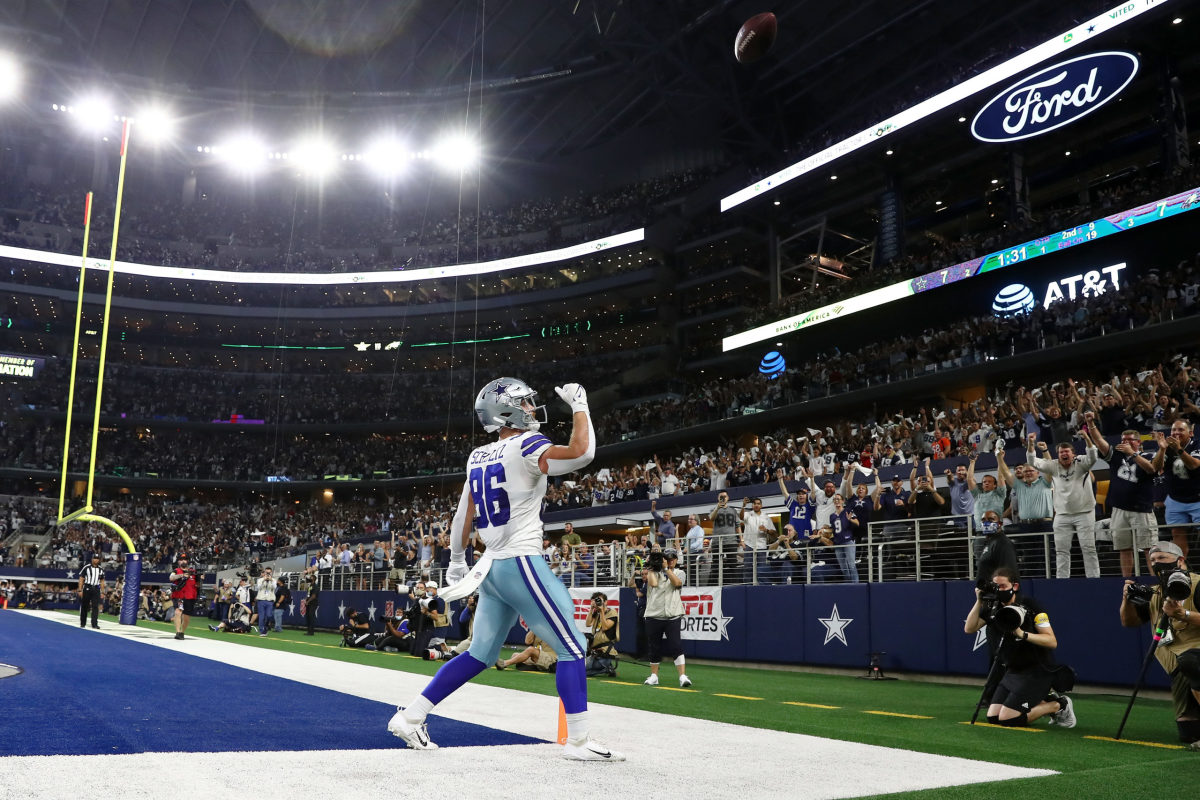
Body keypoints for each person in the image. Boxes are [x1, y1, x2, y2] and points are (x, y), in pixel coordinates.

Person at [389, 378, 623, 761]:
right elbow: (581, 453)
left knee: (479, 654)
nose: (532, 408)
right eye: (526, 403)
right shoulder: (527, 443)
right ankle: (579, 742)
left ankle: (412, 717)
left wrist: (459, 559)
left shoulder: (478, 455)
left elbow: (463, 516)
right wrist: (581, 405)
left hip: (491, 566)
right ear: (507, 410)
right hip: (520, 561)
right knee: (572, 647)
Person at [964, 566, 1076, 728]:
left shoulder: (1030, 606)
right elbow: (969, 628)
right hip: (1013, 671)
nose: (999, 590)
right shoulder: (993, 607)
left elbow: (1051, 641)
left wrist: (1022, 633)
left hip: (1037, 670)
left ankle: (1058, 705)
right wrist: (979, 600)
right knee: (994, 717)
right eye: (996, 586)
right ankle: (1046, 698)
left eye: (1003, 586)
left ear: (1014, 586)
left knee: (1009, 719)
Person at [1119, 541, 1200, 749]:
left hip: (1195, 657)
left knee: (1191, 660)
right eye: (1152, 560)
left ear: (1180, 561)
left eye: (1162, 558)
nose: (1156, 563)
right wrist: (1126, 600)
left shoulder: (1198, 584)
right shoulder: (1155, 593)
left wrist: (1184, 614)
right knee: (1188, 733)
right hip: (1177, 664)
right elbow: (1130, 622)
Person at [1085, 419, 1158, 576]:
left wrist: (1133, 454)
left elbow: (1151, 469)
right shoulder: (1116, 456)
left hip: (1142, 509)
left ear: (1138, 442)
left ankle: (1155, 581)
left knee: (1148, 548)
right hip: (1119, 510)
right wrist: (1091, 423)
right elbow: (1099, 441)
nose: (1125, 442)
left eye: (1129, 440)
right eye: (1123, 440)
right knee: (1124, 548)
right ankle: (1127, 581)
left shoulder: (1149, 455)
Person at [1027, 433, 1099, 578]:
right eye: (1061, 452)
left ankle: (1094, 580)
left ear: (1073, 454)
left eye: (1067, 451)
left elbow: (1093, 456)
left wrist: (1086, 438)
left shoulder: (1081, 463)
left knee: (1089, 548)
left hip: (1084, 513)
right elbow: (1032, 461)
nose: (1064, 454)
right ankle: (1062, 580)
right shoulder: (1053, 465)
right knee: (1061, 551)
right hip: (1062, 515)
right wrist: (1030, 443)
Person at [642, 548, 690, 688]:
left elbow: (677, 583)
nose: (671, 561)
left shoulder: (679, 572)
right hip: (654, 614)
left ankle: (682, 676)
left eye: (673, 558)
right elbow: (652, 584)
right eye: (668, 558)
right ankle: (654, 676)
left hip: (672, 614)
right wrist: (651, 567)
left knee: (676, 645)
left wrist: (666, 569)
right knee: (654, 647)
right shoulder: (654, 572)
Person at [1153, 420, 1200, 559]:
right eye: (1173, 430)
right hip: (1175, 499)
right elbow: (1156, 468)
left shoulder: (1196, 444)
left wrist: (1179, 449)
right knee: (1177, 534)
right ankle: (1181, 567)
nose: (1176, 433)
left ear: (1190, 433)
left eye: (1180, 430)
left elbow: (1194, 465)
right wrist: (1161, 449)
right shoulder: (1167, 447)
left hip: (1198, 498)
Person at [584, 592, 619, 677]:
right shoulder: (596, 613)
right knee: (579, 669)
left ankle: (606, 669)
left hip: (605, 652)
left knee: (582, 672)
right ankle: (606, 668)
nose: (598, 602)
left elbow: (605, 627)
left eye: (600, 600)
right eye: (596, 600)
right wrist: (591, 609)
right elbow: (588, 624)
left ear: (606, 602)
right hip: (596, 653)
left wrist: (602, 611)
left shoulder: (612, 612)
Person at [168, 553, 199, 641]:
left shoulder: (193, 572)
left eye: (185, 559)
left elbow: (197, 584)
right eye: (181, 560)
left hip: (190, 596)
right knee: (178, 612)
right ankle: (178, 632)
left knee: (186, 617)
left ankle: (182, 632)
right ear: (178, 562)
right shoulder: (176, 570)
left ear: (187, 561)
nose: (183, 561)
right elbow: (171, 578)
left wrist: (201, 579)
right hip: (179, 596)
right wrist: (182, 575)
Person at [78, 552, 105, 629]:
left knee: (95, 607)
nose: (96, 560)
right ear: (92, 559)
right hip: (87, 587)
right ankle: (83, 623)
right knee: (85, 606)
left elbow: (102, 581)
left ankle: (94, 624)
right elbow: (81, 579)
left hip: (96, 588)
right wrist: (80, 590)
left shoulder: (101, 569)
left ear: (99, 560)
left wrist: (102, 591)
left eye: (97, 559)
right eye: (94, 558)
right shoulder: (86, 567)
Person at [255, 567, 278, 637]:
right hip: (261, 600)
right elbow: (258, 588)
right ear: (264, 572)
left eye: (269, 572)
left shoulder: (274, 580)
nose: (268, 574)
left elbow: (274, 587)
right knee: (261, 616)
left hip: (270, 600)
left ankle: (266, 627)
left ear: (271, 573)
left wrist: (271, 580)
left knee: (269, 615)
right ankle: (262, 631)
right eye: (266, 572)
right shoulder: (260, 580)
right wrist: (263, 581)